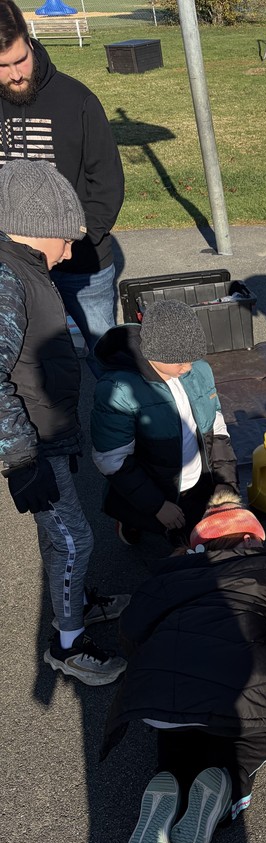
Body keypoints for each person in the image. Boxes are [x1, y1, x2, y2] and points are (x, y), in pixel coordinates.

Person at [101, 488, 266, 843]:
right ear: (251, 538)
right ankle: (226, 785)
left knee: (178, 710)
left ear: (200, 540)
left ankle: (169, 776)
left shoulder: (168, 574)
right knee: (241, 724)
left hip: (155, 698)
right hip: (239, 699)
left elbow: (131, 629)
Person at [0, 158, 127, 686]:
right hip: (33, 444)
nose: (72, 251)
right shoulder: (8, 278)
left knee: (62, 537)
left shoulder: (25, 265)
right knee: (76, 539)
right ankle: (67, 644)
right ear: (34, 225)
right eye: (66, 238)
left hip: (48, 432)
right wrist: (21, 457)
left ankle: (74, 602)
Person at [0, 0, 124, 377]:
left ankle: (121, 431)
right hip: (11, 266)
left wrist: (77, 239)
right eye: (2, 67)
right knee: (27, 368)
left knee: (109, 361)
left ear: (29, 40)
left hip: (81, 265)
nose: (16, 74)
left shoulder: (77, 99)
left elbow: (106, 183)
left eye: (20, 60)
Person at [90, 300, 238, 547]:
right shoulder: (118, 390)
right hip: (154, 487)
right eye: (179, 360)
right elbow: (111, 458)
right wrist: (156, 505)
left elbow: (217, 429)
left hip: (196, 481)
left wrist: (226, 483)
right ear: (153, 351)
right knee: (158, 543)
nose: (188, 366)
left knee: (194, 541)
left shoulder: (198, 371)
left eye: (192, 357)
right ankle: (132, 522)